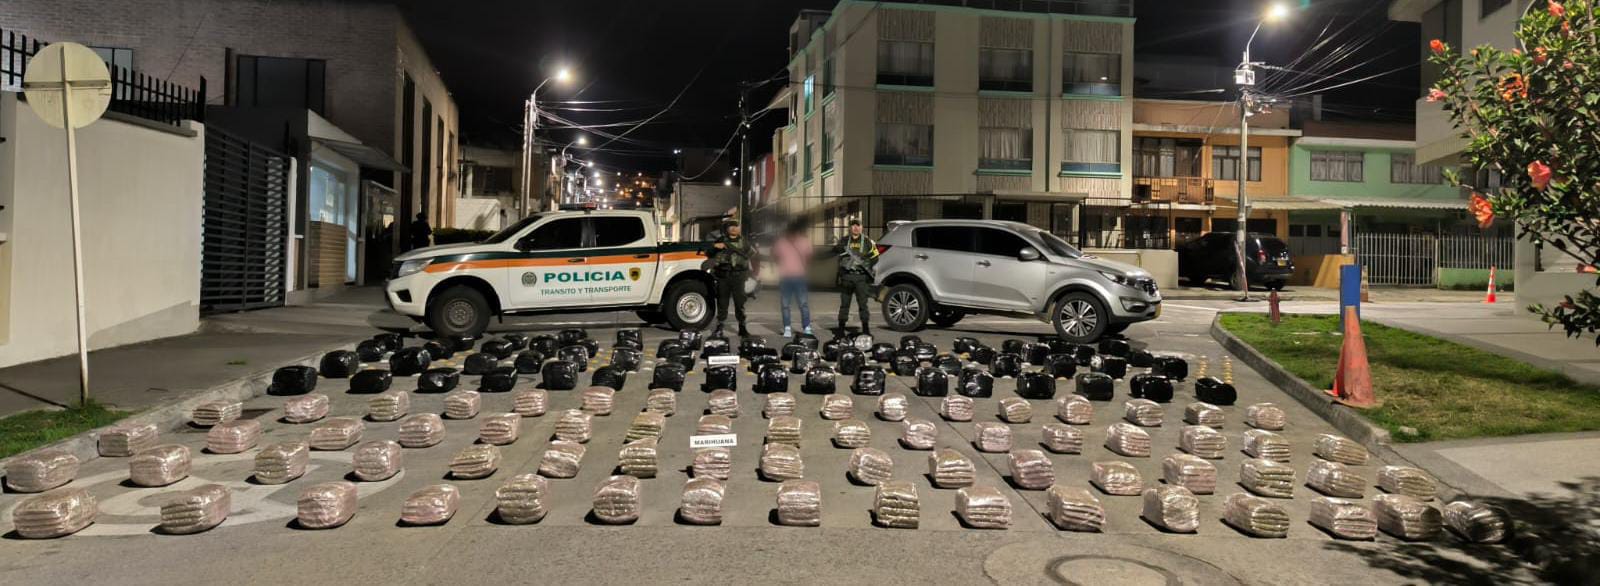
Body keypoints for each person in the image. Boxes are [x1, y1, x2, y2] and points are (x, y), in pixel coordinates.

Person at [710, 219, 756, 336]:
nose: (733, 228)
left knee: (740, 302)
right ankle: (720, 326)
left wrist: (750, 273)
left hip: (739, 276)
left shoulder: (744, 242)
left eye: (736, 226)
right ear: (726, 229)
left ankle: (742, 326)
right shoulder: (720, 240)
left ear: (739, 228)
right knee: (722, 302)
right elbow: (709, 253)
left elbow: (751, 255)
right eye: (731, 226)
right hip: (723, 276)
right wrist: (714, 247)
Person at [833, 219, 879, 335]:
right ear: (850, 228)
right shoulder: (844, 241)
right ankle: (841, 329)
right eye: (853, 225)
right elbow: (835, 252)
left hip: (861, 279)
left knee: (863, 305)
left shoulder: (868, 241)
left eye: (858, 225)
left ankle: (866, 329)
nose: (855, 228)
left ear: (861, 227)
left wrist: (865, 264)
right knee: (844, 305)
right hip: (847, 278)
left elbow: (875, 256)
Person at [771, 219, 815, 338]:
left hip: (797, 276)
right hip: (787, 277)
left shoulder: (803, 241)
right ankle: (788, 328)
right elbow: (775, 256)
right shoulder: (781, 242)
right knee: (787, 304)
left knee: (802, 303)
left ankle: (806, 327)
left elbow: (776, 257)